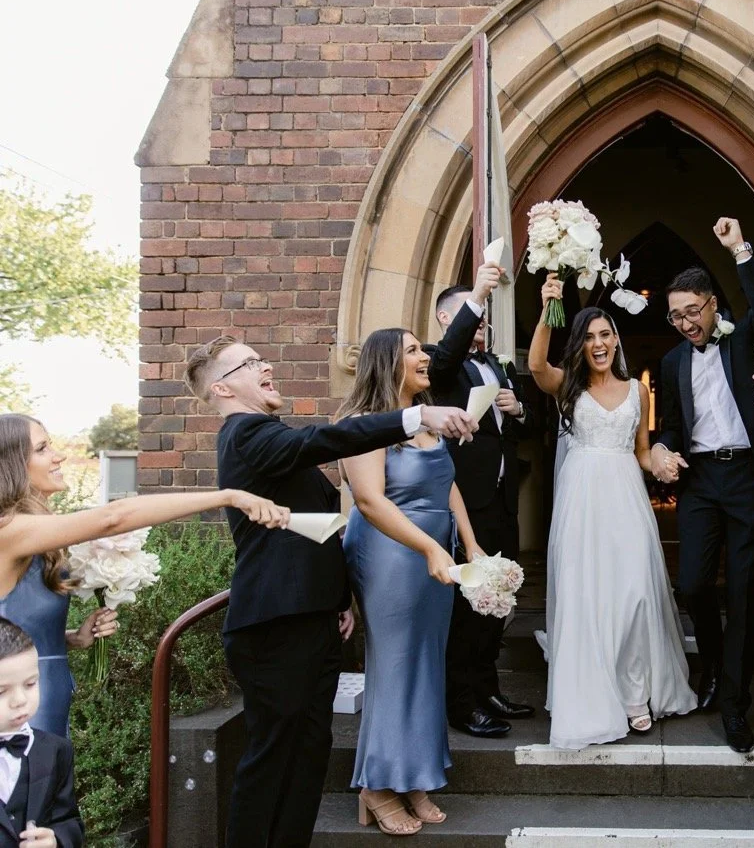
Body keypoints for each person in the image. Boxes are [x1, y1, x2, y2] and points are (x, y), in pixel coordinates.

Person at [183, 336, 476, 848]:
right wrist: (417, 417)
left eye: (262, 357)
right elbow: (326, 440)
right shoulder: (245, 434)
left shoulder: (270, 437)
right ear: (223, 388)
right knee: (272, 761)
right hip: (274, 625)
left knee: (308, 758)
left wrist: (341, 599)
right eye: (251, 363)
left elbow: (318, 531)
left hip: (313, 619)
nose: (266, 365)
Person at [0, 413, 287, 738]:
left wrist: (71, 638)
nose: (59, 456)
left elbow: (14, 625)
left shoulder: (35, 532)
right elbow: (113, 517)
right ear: (12, 464)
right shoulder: (8, 530)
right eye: (42, 449)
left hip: (50, 698)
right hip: (16, 709)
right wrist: (227, 496)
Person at [529, 284, 697, 749]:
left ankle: (635, 691)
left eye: (605, 335)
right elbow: (537, 366)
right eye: (589, 337)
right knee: (588, 593)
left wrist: (660, 460)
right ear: (580, 345)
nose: (599, 344)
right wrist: (548, 309)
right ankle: (596, 693)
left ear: (616, 340)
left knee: (635, 592)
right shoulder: (569, 386)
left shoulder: (637, 391)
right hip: (582, 498)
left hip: (626, 496)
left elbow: (641, 451)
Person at [337, 328, 485, 835]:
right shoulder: (363, 424)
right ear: (387, 363)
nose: (426, 357)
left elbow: (447, 484)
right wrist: (429, 548)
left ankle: (413, 775)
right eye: (414, 351)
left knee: (426, 664)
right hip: (390, 554)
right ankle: (377, 785)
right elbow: (369, 501)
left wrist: (471, 545)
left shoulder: (425, 418)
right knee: (395, 666)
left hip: (435, 557)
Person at [648, 217, 754, 753]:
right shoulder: (671, 362)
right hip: (701, 481)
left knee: (745, 595)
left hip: (748, 476)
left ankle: (734, 703)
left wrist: (739, 249)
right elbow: (672, 425)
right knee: (693, 585)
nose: (685, 323)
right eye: (675, 316)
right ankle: (711, 663)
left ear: (712, 305)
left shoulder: (740, 339)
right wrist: (662, 448)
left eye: (692, 311)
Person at [430, 263, 533, 738]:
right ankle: (461, 703)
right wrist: (477, 295)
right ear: (445, 319)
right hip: (466, 504)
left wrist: (518, 410)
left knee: (497, 602)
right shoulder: (438, 361)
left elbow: (521, 430)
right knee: (467, 608)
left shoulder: (498, 365)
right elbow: (446, 359)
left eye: (482, 316)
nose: (481, 322)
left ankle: (489, 689)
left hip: (502, 500)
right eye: (471, 315)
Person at [0, 617, 83, 848]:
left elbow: (69, 822)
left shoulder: (56, 750)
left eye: (30, 684)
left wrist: (56, 840)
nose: (20, 700)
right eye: (1, 691)